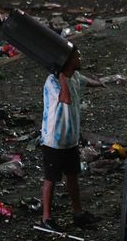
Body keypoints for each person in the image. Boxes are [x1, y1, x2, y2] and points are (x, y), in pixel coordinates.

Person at [40, 48, 104, 231]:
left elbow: (86, 82)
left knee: (72, 176)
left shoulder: (75, 77)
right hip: (54, 140)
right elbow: (65, 99)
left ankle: (78, 214)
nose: (79, 59)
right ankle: (46, 219)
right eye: (76, 57)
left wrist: (99, 83)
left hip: (70, 139)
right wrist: (60, 75)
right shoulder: (52, 81)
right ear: (66, 62)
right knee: (51, 179)